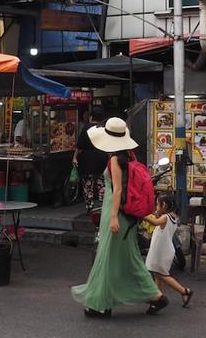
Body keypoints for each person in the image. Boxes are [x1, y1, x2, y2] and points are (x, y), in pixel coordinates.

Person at [71, 117, 167, 317]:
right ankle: (152, 296)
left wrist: (113, 217)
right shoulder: (129, 157)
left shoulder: (115, 160)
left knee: (109, 258)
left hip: (115, 214)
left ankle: (102, 304)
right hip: (125, 215)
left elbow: (116, 191)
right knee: (125, 258)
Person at [143, 193, 193, 307]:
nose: (156, 207)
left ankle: (184, 291)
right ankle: (157, 297)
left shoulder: (165, 218)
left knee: (163, 275)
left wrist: (142, 215)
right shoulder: (173, 217)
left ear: (163, 205)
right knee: (157, 275)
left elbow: (155, 222)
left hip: (162, 251)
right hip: (163, 249)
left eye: (157, 205)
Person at [73, 107, 109, 212]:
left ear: (91, 117)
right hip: (102, 157)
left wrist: (74, 157)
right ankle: (103, 206)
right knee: (101, 182)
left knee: (88, 183)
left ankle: (90, 207)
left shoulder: (86, 128)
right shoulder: (104, 129)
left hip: (88, 159)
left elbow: (80, 146)